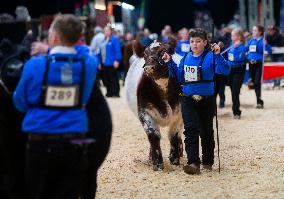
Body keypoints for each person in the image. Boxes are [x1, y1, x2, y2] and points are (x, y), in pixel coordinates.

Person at [13, 14, 98, 199]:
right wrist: (63, 45)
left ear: (55, 37)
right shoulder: (88, 65)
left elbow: (19, 103)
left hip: (40, 144)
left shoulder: (34, 65)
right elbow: (86, 52)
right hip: (75, 144)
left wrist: (49, 51)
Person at [162, 28, 230, 175]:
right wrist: (169, 62)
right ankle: (193, 162)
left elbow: (225, 70)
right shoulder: (186, 58)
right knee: (191, 130)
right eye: (192, 41)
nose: (195, 44)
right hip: (188, 100)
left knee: (206, 131)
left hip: (207, 100)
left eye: (198, 41)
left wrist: (218, 55)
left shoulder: (211, 56)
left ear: (205, 42)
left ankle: (207, 161)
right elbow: (179, 76)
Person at [246, 25, 272, 109]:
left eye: (255, 30)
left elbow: (269, 51)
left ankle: (259, 101)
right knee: (254, 82)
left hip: (258, 64)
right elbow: (245, 49)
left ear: (260, 32)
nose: (253, 32)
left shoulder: (262, 41)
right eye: (253, 30)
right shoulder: (251, 41)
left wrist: (266, 44)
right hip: (251, 64)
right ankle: (258, 99)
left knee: (257, 82)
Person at [227, 28, 247, 119]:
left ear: (238, 36)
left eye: (233, 35)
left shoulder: (242, 47)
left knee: (235, 91)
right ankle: (235, 109)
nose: (232, 37)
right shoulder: (232, 45)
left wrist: (235, 49)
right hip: (230, 70)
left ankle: (236, 112)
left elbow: (238, 58)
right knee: (233, 91)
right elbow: (228, 56)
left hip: (238, 70)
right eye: (231, 35)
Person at [99, 25, 122, 97]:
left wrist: (117, 60)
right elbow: (100, 52)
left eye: (107, 30)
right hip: (104, 63)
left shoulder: (114, 39)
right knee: (106, 79)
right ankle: (109, 92)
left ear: (110, 31)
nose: (106, 31)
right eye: (105, 30)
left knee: (114, 79)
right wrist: (99, 62)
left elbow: (118, 50)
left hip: (112, 63)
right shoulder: (103, 40)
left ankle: (116, 93)